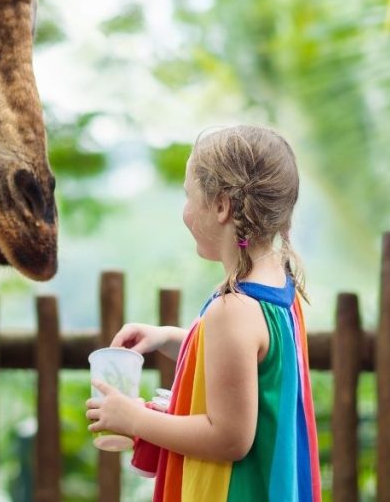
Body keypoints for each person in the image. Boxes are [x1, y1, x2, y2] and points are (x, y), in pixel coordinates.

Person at [85, 124, 321, 500]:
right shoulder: (277, 283)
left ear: (222, 206)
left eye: (188, 195)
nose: (185, 210)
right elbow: (246, 371)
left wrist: (135, 418)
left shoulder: (234, 309)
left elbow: (228, 438)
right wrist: (168, 338)